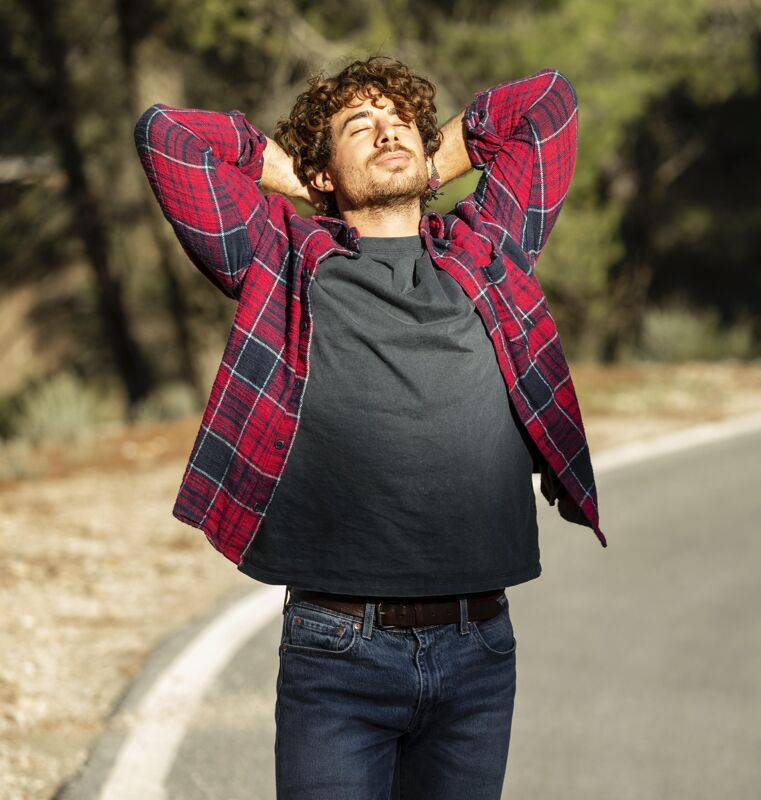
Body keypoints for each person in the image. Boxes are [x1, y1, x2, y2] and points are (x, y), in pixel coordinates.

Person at [134, 56, 607, 799]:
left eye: (402, 124)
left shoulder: (489, 247)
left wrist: (422, 158)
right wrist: (295, 175)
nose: (388, 132)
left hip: (478, 645)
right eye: (362, 126)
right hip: (337, 652)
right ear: (322, 174)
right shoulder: (283, 258)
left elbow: (547, 102)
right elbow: (168, 137)